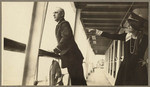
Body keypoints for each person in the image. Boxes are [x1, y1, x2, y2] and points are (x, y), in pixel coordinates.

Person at [89, 12, 148, 85]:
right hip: (126, 67)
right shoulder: (126, 36)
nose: (128, 27)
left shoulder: (145, 38)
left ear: (135, 27)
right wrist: (97, 31)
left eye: (130, 26)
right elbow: (112, 36)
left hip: (138, 68)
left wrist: (147, 61)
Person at [52, 7, 87, 85]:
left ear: (62, 14)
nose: (53, 14)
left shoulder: (64, 24)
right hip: (72, 57)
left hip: (73, 57)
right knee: (78, 80)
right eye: (53, 13)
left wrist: (57, 49)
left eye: (56, 12)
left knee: (77, 81)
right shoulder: (61, 24)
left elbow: (66, 37)